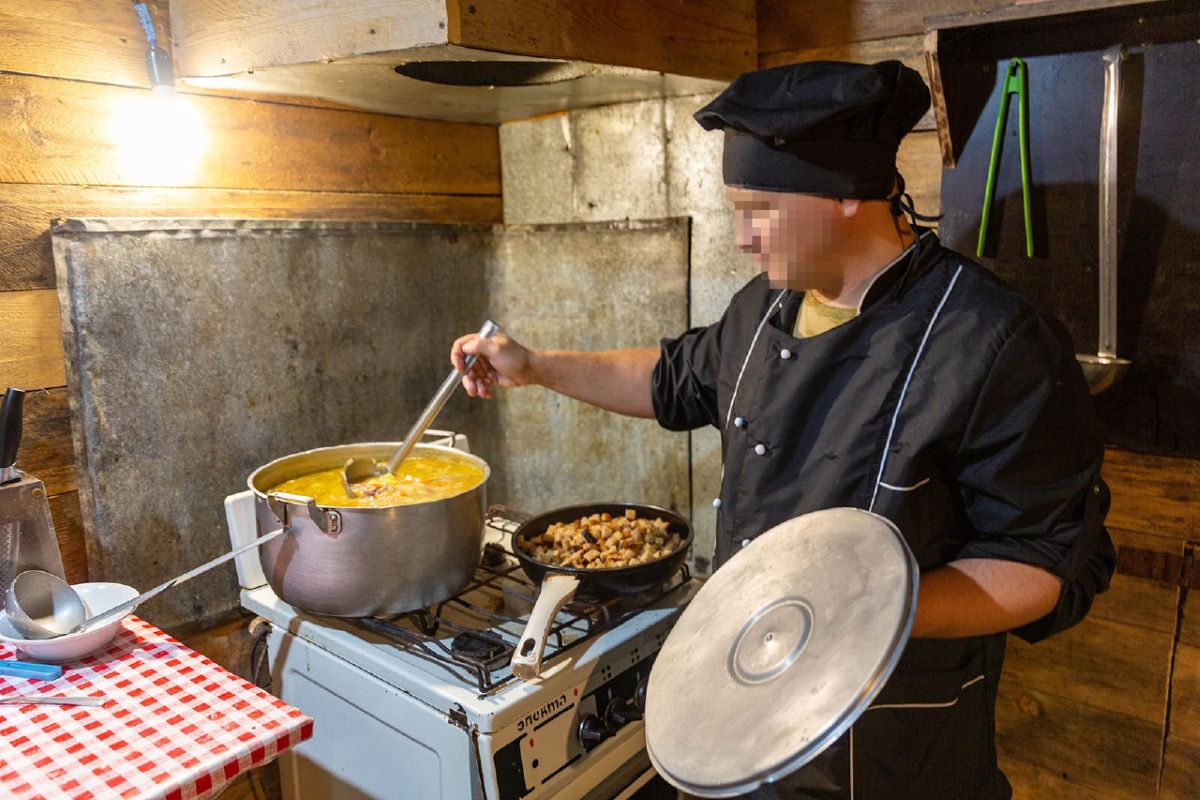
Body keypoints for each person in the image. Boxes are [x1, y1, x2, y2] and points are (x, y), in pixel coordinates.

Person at [451, 60, 1115, 800]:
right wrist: (536, 365)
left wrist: (855, 616)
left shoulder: (994, 340)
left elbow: (1042, 563)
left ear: (843, 197)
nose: (742, 237)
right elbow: (672, 378)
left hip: (890, 742)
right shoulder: (763, 309)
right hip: (742, 710)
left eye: (759, 208)